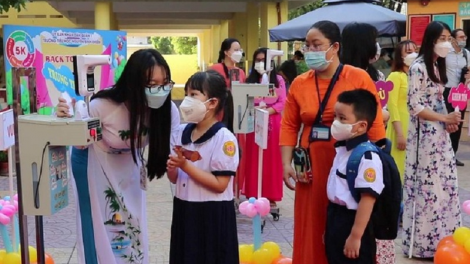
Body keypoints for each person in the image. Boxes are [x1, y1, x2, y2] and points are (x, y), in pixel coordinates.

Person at [55, 49, 180, 264]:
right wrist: (67, 116)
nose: (160, 90)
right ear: (133, 83)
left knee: (131, 222)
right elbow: (79, 141)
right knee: (98, 224)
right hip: (92, 164)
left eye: (165, 83)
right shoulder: (102, 106)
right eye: (152, 84)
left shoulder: (167, 111)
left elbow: (175, 152)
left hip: (129, 164)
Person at [280, 20, 385, 264]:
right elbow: (289, 125)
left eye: (317, 45)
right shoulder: (300, 82)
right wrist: (287, 164)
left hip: (349, 163)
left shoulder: (356, 77)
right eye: (307, 46)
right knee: (312, 222)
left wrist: (378, 165)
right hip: (310, 165)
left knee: (343, 219)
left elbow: (375, 123)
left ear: (335, 46)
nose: (311, 51)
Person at [403, 21, 461, 259]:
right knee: (426, 188)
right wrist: (443, 117)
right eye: (442, 38)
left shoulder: (437, 67)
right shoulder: (418, 67)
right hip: (423, 138)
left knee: (443, 186)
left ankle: (442, 239)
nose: (447, 43)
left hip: (439, 136)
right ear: (431, 40)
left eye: (449, 38)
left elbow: (436, 101)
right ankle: (422, 245)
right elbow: (414, 106)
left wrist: (449, 119)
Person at [167, 70, 239, 264]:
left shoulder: (224, 138)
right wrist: (173, 167)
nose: (187, 101)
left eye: (194, 95)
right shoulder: (182, 132)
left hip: (212, 214)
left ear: (212, 103)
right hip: (185, 208)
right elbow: (175, 178)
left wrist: (185, 165)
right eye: (186, 94)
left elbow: (220, 184)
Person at [340, 22, 395, 263]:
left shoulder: (377, 75)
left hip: (375, 147)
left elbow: (381, 111)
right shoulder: (344, 76)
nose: (377, 46)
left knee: (373, 204)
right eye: (373, 40)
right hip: (353, 152)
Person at [325, 89, 384, 264]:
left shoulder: (367, 157)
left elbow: (368, 199)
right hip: (335, 218)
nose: (336, 122)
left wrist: (355, 236)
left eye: (342, 118)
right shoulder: (342, 150)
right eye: (335, 117)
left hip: (354, 223)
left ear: (361, 126)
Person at [243, 47, 286, 213]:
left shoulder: (279, 80)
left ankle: (271, 196)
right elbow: (245, 100)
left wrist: (266, 111)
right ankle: (253, 193)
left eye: (264, 60)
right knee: (254, 158)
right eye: (258, 60)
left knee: (272, 159)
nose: (261, 63)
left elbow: (282, 101)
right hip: (253, 122)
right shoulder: (250, 80)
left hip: (272, 122)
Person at [386, 40, 418, 179]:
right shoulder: (395, 76)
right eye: (409, 52)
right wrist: (399, 133)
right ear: (400, 56)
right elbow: (392, 106)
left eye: (415, 51)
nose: (413, 55)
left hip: (415, 126)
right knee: (399, 168)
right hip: (399, 126)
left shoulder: (416, 76)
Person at [444, 28, 470, 166]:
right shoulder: (445, 53)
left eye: (464, 37)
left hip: (461, 92)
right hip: (447, 90)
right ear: (453, 39)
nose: (463, 39)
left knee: (458, 123)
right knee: (446, 121)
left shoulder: (466, 54)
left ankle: (453, 154)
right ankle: (443, 154)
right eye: (460, 37)